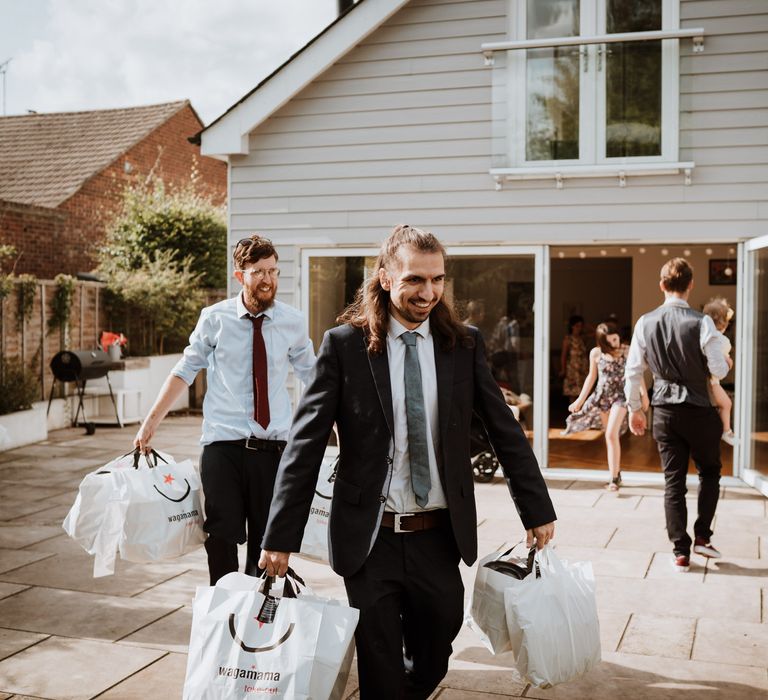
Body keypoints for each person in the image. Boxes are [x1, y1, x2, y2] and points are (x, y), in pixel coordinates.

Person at [259, 224, 556, 699]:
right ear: (384, 278)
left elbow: (504, 430)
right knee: (380, 667)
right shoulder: (344, 347)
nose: (429, 292)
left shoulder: (464, 344)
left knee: (437, 648)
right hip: (369, 536)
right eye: (416, 280)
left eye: (438, 279)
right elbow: (304, 446)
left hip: (438, 534)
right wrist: (280, 538)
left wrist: (536, 508)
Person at [134, 234, 315, 584]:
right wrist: (150, 423)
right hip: (223, 447)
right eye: (258, 272)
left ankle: (254, 624)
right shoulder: (214, 319)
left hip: (274, 449)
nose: (267, 279)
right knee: (220, 536)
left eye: (273, 271)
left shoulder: (292, 321)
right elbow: (184, 370)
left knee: (268, 543)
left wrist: (340, 425)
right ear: (240, 276)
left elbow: (314, 376)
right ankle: (223, 612)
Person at [624, 258, 729, 573]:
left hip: (664, 411)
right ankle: (702, 537)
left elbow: (633, 372)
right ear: (691, 285)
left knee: (674, 482)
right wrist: (725, 360)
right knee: (709, 472)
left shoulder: (645, 322)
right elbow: (718, 369)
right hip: (698, 409)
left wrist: (635, 410)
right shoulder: (702, 322)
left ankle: (680, 551)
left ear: (661, 285)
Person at [563, 322, 632, 491]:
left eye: (615, 339)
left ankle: (614, 479)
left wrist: (641, 397)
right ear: (602, 342)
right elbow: (591, 377)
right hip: (602, 398)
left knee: (610, 434)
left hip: (620, 398)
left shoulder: (627, 350)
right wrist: (580, 400)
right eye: (609, 342)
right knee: (610, 437)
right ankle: (615, 472)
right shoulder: (596, 353)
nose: (613, 344)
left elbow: (633, 375)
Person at [702, 297, 737, 446]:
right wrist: (728, 363)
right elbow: (718, 368)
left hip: (701, 382)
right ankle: (726, 430)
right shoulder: (723, 342)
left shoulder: (700, 336)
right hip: (712, 383)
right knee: (727, 404)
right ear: (724, 324)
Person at [560, 314, 588, 403]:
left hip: (583, 369)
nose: (579, 328)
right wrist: (563, 370)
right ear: (572, 326)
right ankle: (573, 414)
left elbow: (596, 332)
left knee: (584, 393)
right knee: (573, 394)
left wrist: (587, 325)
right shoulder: (568, 339)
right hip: (572, 370)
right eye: (577, 326)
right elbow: (563, 355)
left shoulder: (582, 338)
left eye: (581, 326)